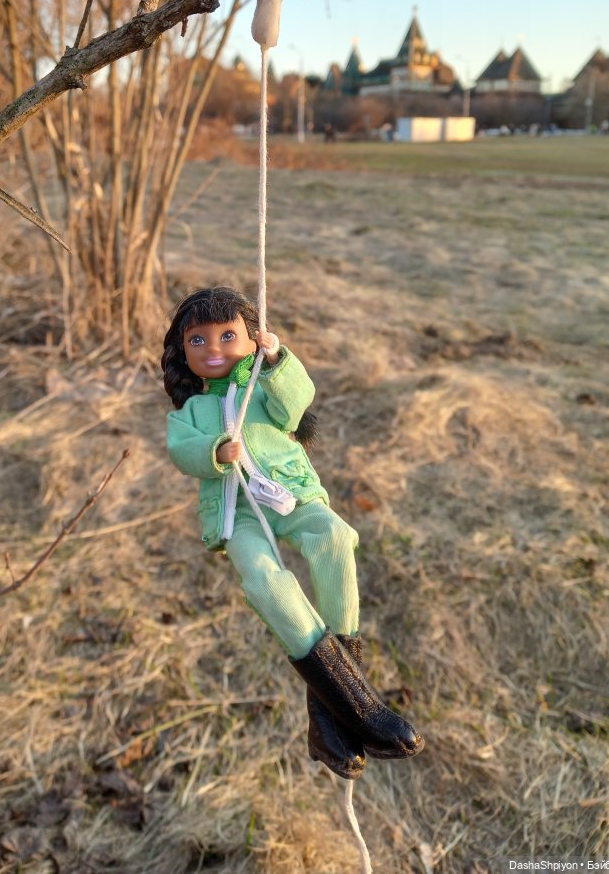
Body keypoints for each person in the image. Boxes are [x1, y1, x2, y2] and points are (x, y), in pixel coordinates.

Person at [162, 286, 423, 778]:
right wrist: (213, 451)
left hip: (291, 493)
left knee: (335, 538)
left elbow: (297, 404)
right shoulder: (191, 411)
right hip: (237, 510)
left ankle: (330, 719)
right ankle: (361, 706)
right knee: (267, 584)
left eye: (227, 335)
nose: (213, 348)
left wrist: (278, 360)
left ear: (252, 336)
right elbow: (181, 449)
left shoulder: (264, 389)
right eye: (197, 340)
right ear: (182, 350)